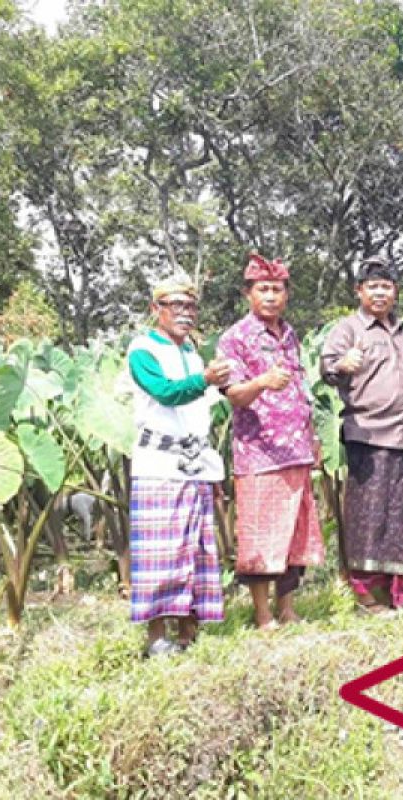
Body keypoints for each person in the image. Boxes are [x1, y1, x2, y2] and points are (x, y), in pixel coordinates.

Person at [319, 255, 403, 612]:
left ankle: (399, 590)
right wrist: (342, 365)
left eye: (386, 286)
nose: (380, 293)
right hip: (370, 434)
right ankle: (364, 594)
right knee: (369, 518)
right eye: (372, 286)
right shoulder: (348, 329)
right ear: (359, 291)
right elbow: (328, 369)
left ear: (395, 291)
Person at [217, 254, 325, 630]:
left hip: (295, 449)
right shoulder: (235, 338)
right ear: (248, 294)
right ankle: (263, 615)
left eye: (277, 289)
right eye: (262, 289)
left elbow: (302, 389)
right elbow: (234, 395)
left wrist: (313, 438)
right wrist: (261, 382)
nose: (270, 297)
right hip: (259, 452)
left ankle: (288, 608)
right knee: (262, 534)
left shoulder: (290, 335)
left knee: (292, 533)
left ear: (286, 294)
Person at [126, 277, 232, 656]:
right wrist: (205, 379)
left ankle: (189, 631)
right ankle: (156, 637)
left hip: (194, 461)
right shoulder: (142, 351)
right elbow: (167, 394)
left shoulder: (190, 351)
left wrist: (211, 472)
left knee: (197, 547)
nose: (185, 313)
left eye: (190, 307)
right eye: (176, 306)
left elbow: (197, 413)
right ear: (157, 309)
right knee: (161, 550)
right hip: (159, 461)